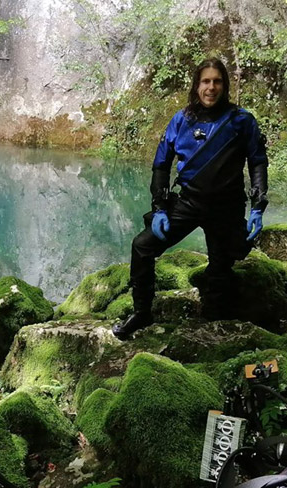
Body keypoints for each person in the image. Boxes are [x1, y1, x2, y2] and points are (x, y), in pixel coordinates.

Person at [112, 58, 269, 340]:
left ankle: (213, 327)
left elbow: (257, 161)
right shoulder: (182, 120)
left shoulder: (241, 121)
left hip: (227, 207)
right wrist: (159, 208)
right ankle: (142, 311)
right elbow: (161, 164)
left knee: (221, 270)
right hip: (188, 203)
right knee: (142, 246)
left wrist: (258, 207)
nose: (211, 87)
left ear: (225, 85)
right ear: (197, 86)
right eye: (205, 81)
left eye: (217, 81)